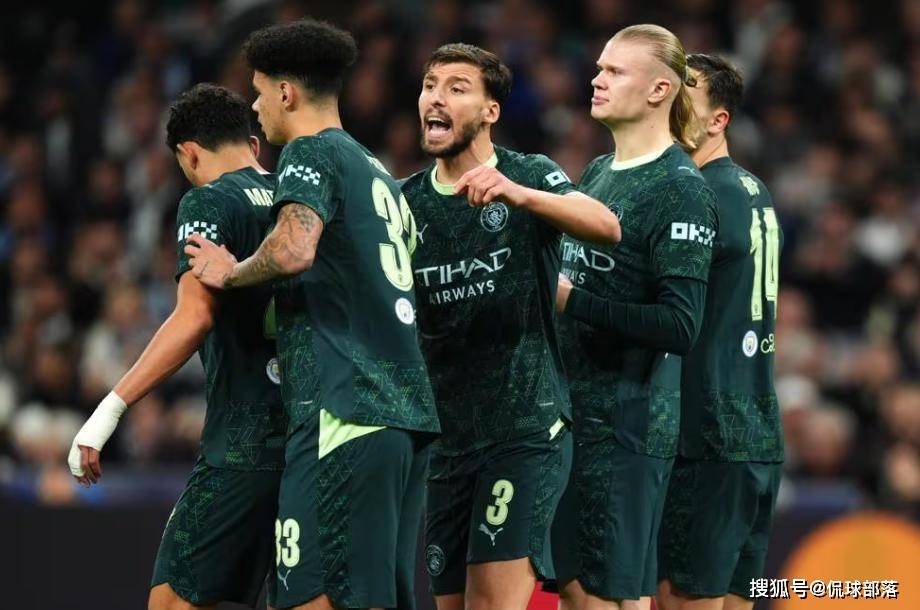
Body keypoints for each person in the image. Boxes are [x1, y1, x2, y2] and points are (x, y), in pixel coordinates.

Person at [184, 19, 439, 610]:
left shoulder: (309, 151)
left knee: (310, 597)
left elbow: (294, 248)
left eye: (258, 92)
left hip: (342, 410)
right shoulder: (377, 172)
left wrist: (231, 271)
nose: (254, 107)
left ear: (286, 93)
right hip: (404, 417)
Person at [401, 43, 621, 610]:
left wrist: (520, 196)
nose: (436, 98)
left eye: (456, 88)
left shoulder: (527, 174)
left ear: (490, 111)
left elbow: (605, 225)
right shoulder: (404, 204)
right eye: (430, 85)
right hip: (447, 445)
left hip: (523, 432)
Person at [67, 83, 286, 610]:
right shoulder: (296, 198)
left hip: (242, 445)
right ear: (253, 145)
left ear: (189, 155)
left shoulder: (208, 200)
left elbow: (195, 316)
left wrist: (110, 408)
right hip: (309, 440)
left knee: (171, 603)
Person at [551, 25, 717, 610]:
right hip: (573, 416)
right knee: (575, 591)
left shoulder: (680, 189)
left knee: (609, 596)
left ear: (658, 90)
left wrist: (571, 301)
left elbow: (680, 325)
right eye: (599, 67)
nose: (597, 79)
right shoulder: (598, 171)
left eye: (614, 71)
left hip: (626, 425)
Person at [656, 53, 784, 610]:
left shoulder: (700, 194)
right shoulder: (754, 190)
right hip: (757, 432)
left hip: (707, 433)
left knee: (682, 598)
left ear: (719, 119)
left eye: (685, 94)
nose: (668, 103)